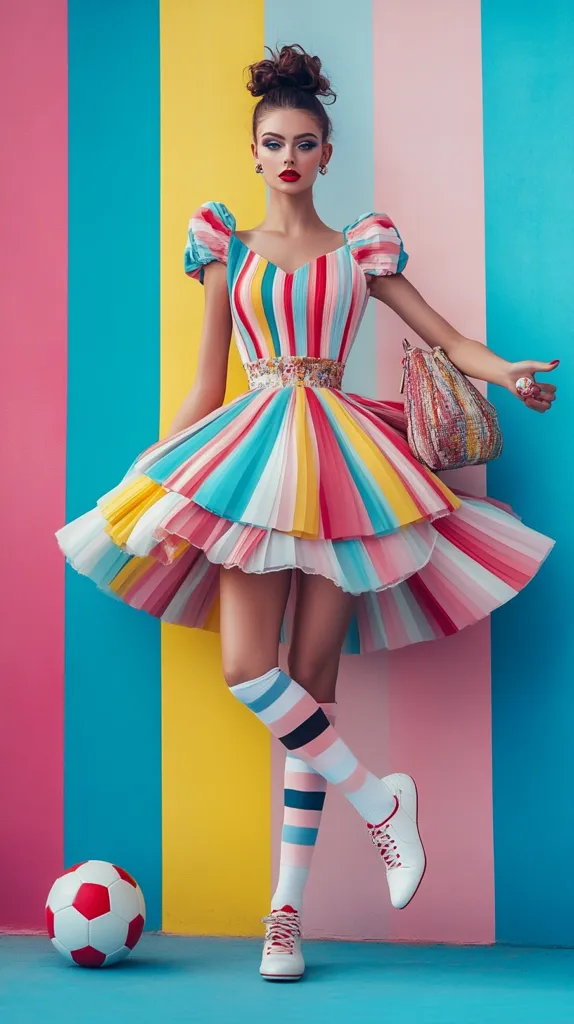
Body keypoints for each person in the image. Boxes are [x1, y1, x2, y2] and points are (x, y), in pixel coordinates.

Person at [57, 44, 557, 983]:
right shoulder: (226, 247)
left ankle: (283, 918)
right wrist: (159, 476)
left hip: (343, 462)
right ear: (253, 151)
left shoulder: (362, 248)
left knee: (312, 684)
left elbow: (447, 336)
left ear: (327, 154)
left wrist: (509, 374)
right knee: (251, 669)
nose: (288, 157)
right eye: (274, 142)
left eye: (305, 143)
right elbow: (207, 383)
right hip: (252, 457)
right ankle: (381, 804)